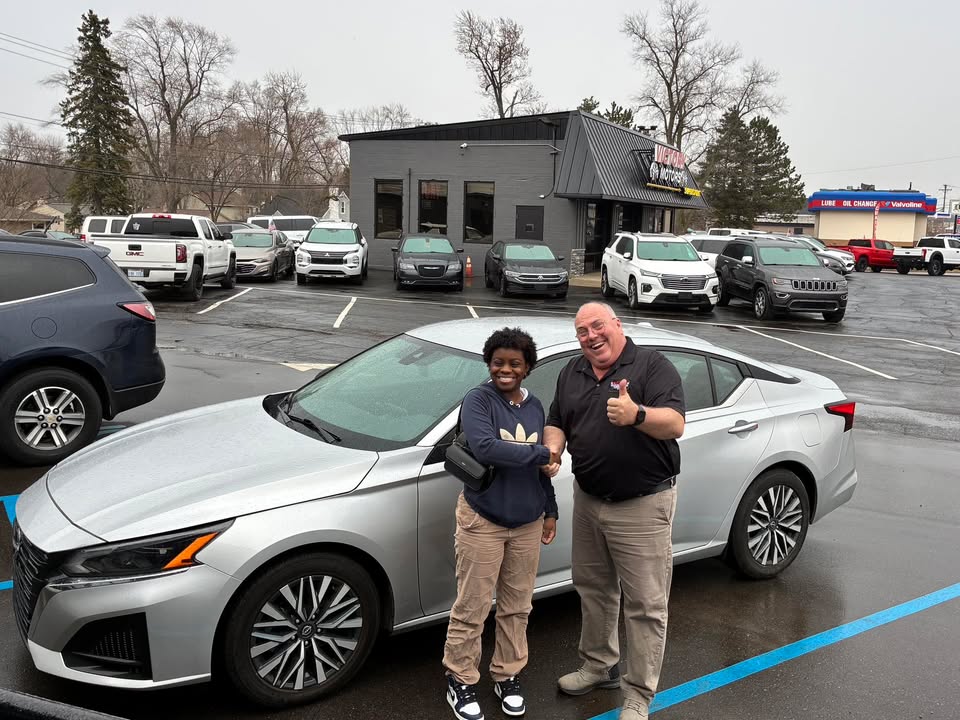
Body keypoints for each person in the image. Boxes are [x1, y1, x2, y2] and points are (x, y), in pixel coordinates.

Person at [545, 302, 685, 720]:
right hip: (589, 500)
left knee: (645, 604)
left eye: (597, 326)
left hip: (642, 505)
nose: (591, 336)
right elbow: (557, 420)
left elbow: (675, 423)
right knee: (593, 588)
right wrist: (553, 448)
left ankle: (639, 694)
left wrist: (636, 414)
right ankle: (598, 665)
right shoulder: (573, 371)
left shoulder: (652, 366)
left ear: (617, 325)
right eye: (582, 331)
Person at [443, 327, 561, 720]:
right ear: (488, 363)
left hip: (527, 521)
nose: (505, 370)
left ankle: (507, 673)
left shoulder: (535, 406)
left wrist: (550, 510)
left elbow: (540, 471)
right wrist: (543, 453)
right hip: (484, 519)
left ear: (528, 367)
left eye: (514, 363)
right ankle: (460, 678)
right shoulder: (479, 400)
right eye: (498, 363)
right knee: (472, 606)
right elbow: (486, 448)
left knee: (517, 606)